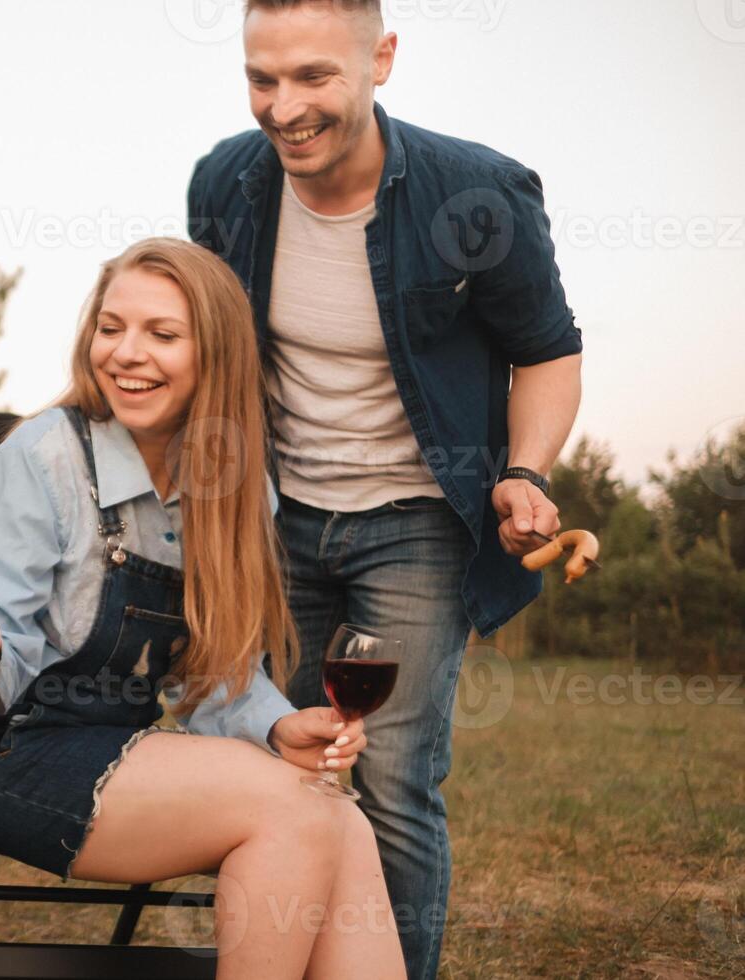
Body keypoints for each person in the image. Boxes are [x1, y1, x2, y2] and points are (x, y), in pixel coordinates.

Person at [185, 2, 584, 977]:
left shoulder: (477, 194)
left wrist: (525, 469)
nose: (284, 108)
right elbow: (221, 350)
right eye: (261, 78)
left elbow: (550, 351)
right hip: (275, 522)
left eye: (314, 77)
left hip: (417, 521)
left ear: (383, 61)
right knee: (271, 766)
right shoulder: (224, 182)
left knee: (392, 778)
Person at [0, 238, 406, 977]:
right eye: (111, 327)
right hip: (0, 749)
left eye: (162, 335)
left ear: (217, 355)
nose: (126, 353)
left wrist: (277, 723)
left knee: (339, 815)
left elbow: (213, 675)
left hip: (116, 750)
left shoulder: (236, 484)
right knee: (292, 810)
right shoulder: (41, 460)